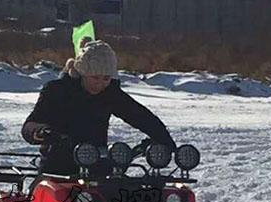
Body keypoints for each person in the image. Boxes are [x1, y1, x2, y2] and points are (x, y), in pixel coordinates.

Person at [21, 40, 176, 175]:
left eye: (106, 78)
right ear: (82, 73)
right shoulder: (57, 90)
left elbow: (141, 116)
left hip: (97, 168)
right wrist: (41, 132)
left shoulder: (110, 94)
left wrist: (165, 140)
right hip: (57, 169)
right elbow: (30, 125)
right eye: (95, 77)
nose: (100, 84)